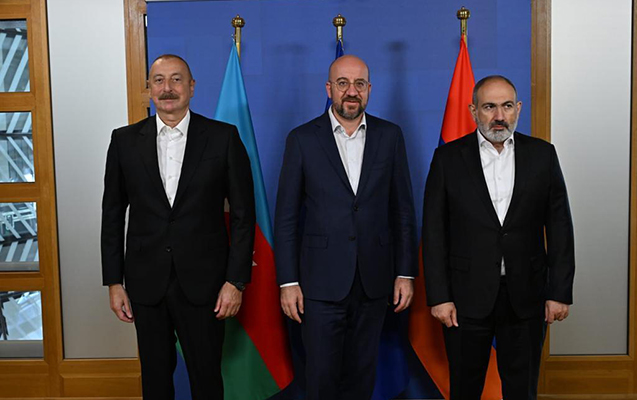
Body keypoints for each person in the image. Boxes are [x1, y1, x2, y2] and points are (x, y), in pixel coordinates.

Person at [101, 54, 255, 400]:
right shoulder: (124, 141)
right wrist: (114, 281)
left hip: (206, 285)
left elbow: (244, 215)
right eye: (159, 80)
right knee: (155, 381)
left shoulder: (223, 138)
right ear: (149, 88)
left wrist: (236, 281)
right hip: (145, 284)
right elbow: (111, 214)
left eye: (176, 79)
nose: (167, 88)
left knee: (207, 379)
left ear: (192, 87)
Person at [274, 55, 418, 400]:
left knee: (362, 377)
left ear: (369, 89)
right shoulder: (302, 139)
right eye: (343, 83)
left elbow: (402, 210)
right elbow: (287, 217)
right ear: (329, 89)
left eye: (359, 84)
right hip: (318, 285)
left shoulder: (390, 136)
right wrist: (288, 282)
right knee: (321, 378)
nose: (351, 91)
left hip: (374, 281)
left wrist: (405, 273)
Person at [422, 75, 575, 399]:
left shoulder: (542, 155)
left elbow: (560, 226)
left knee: (522, 391)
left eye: (506, 106)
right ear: (473, 110)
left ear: (518, 108)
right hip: (465, 298)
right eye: (489, 107)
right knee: (465, 389)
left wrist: (559, 291)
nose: (499, 116)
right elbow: (434, 232)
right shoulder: (448, 159)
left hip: (526, 296)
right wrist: (439, 297)